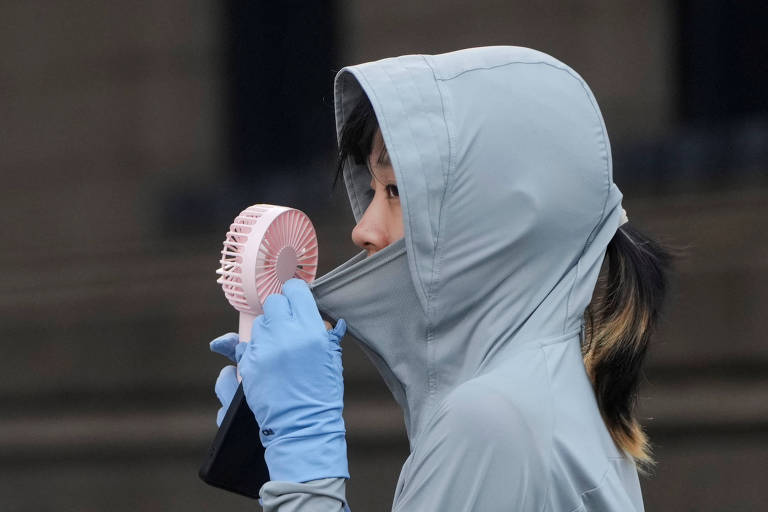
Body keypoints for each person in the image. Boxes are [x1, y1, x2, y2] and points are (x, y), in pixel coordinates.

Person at [210, 46, 674, 511]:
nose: (362, 230)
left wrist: (304, 468)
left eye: (395, 191)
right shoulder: (544, 395)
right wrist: (285, 459)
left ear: (494, 219)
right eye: (374, 190)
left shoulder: (492, 422)